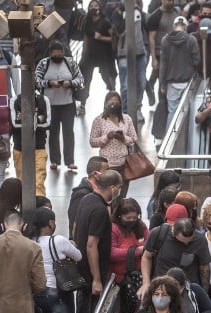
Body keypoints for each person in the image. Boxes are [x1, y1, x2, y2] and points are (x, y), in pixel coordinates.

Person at [73, 170, 123, 313]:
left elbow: (75, 227)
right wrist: (96, 279)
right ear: (112, 187)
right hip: (91, 273)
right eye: (118, 187)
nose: (118, 191)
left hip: (81, 268)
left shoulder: (86, 200)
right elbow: (91, 244)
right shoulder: (100, 210)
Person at [35, 40, 84, 172]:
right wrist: (50, 83)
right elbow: (36, 81)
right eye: (55, 56)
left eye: (60, 55)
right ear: (50, 54)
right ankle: (55, 161)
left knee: (69, 132)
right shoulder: (43, 64)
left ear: (63, 53)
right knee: (53, 133)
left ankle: (70, 161)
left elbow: (80, 79)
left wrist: (70, 83)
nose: (57, 58)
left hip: (68, 104)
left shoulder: (70, 63)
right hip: (50, 105)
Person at [89, 91, 139, 187]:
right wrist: (107, 137)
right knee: (109, 193)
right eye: (111, 104)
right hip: (107, 165)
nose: (113, 106)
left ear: (120, 105)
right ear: (105, 104)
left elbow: (134, 139)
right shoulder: (99, 120)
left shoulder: (127, 119)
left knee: (122, 193)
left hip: (124, 164)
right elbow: (92, 141)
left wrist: (123, 138)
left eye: (116, 103)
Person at [160, 16, 201, 130]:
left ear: (174, 26)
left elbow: (163, 64)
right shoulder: (191, 40)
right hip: (188, 82)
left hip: (171, 83)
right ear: (186, 26)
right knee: (188, 111)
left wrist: (162, 83)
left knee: (172, 112)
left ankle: (169, 139)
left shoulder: (165, 40)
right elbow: (197, 60)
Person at [77, 0, 117, 116]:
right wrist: (83, 55)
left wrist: (101, 38)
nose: (94, 8)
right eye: (91, 6)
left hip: (104, 55)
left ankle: (113, 103)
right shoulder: (87, 22)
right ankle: (83, 104)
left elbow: (113, 38)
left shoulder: (105, 22)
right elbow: (85, 38)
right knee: (86, 79)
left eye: (96, 6)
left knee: (107, 78)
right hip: (90, 55)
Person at [112, 0, 149, 114]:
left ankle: (137, 107)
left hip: (140, 52)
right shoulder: (117, 13)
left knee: (141, 83)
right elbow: (119, 31)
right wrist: (127, 13)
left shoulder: (139, 12)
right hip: (124, 53)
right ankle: (125, 111)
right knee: (125, 85)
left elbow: (145, 30)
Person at [68, 156, 107, 234]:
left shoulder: (101, 190)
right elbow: (74, 220)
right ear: (95, 174)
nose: (109, 174)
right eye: (106, 171)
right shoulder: (81, 194)